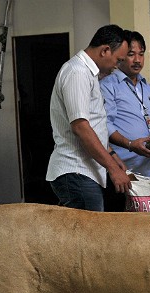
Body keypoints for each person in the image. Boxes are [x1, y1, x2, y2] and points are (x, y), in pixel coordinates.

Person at [46, 25, 132, 212]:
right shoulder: (77, 72)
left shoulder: (89, 74)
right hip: (76, 171)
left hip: (84, 172)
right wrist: (113, 169)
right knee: (88, 239)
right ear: (105, 51)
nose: (117, 67)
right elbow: (81, 127)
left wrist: (112, 155)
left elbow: (93, 125)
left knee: (81, 236)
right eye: (118, 60)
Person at [100, 30, 150, 179]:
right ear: (121, 55)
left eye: (141, 54)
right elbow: (104, 125)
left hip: (149, 169)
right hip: (122, 171)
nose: (137, 60)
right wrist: (130, 143)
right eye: (131, 54)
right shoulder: (108, 86)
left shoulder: (148, 88)